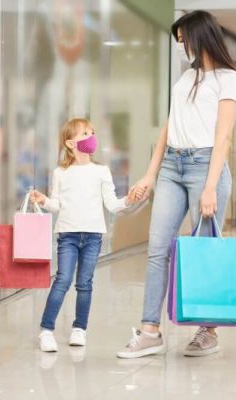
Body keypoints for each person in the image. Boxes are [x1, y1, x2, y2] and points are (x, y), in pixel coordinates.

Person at [117, 10, 236, 359]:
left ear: (201, 36)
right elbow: (168, 128)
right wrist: (150, 175)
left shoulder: (229, 78)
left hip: (205, 167)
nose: (183, 46)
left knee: (204, 251)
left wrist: (211, 186)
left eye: (185, 39)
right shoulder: (185, 78)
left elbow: (223, 137)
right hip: (172, 164)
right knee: (157, 248)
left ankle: (207, 330)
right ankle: (150, 331)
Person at [31, 117, 144, 352]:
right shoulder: (61, 173)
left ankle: (79, 328)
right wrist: (44, 201)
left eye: (92, 132)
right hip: (67, 235)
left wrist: (128, 200)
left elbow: (112, 204)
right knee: (63, 280)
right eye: (85, 133)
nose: (91, 137)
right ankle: (46, 330)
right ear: (70, 143)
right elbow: (56, 204)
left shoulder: (102, 171)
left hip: (93, 236)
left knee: (85, 284)